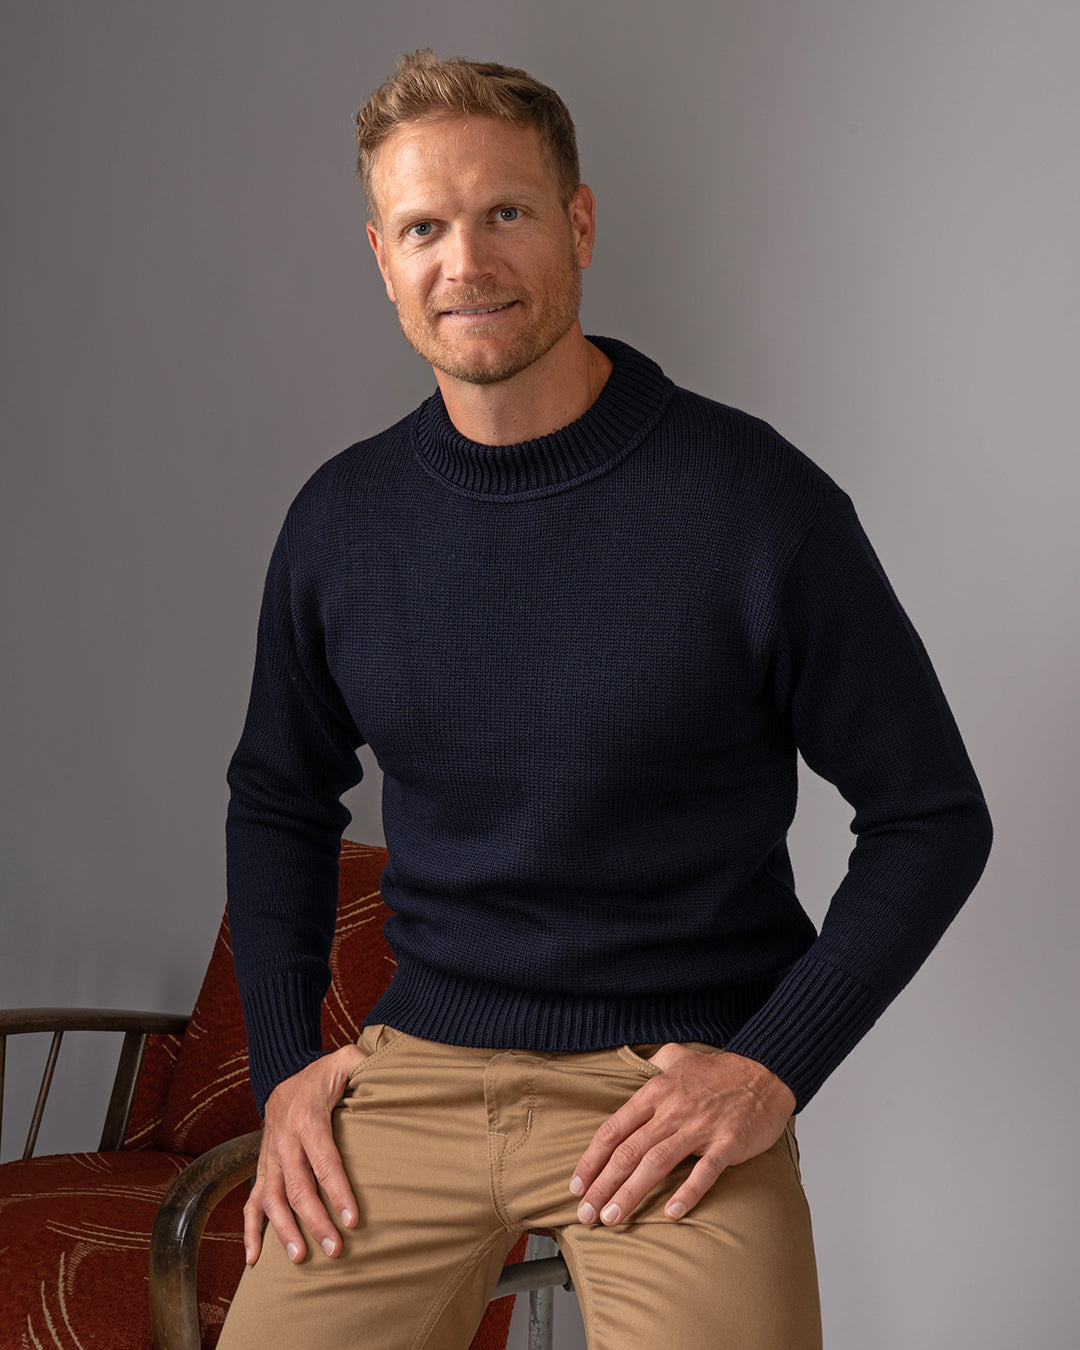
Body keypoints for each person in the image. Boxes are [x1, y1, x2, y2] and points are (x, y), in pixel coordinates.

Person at [219, 50, 991, 1350]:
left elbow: (932, 815)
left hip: (672, 1088)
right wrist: (288, 1066)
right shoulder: (341, 521)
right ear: (382, 257)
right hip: (414, 1080)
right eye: (424, 227)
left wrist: (772, 1064)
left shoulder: (754, 503)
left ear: (579, 224)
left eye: (506, 212)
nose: (466, 261)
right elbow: (276, 799)